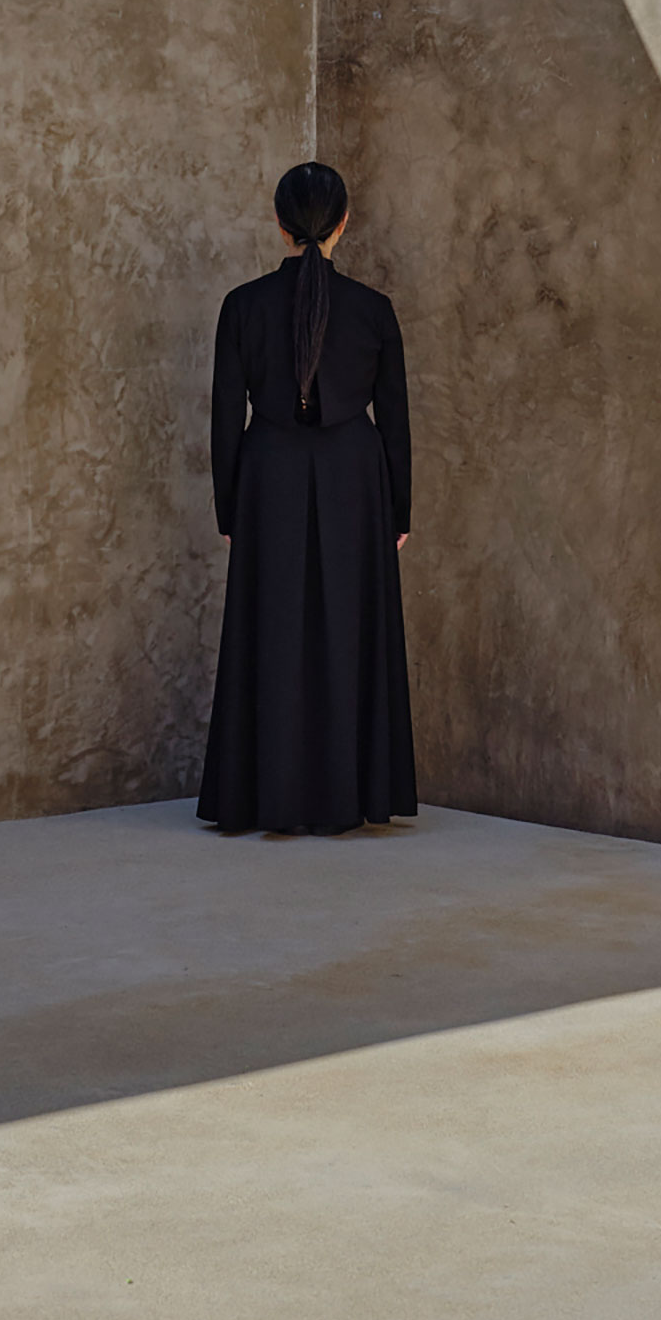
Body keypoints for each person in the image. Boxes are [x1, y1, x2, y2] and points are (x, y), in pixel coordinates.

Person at [197, 162, 418, 835]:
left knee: (270, 631)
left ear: (279, 224)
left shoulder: (243, 305)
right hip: (358, 480)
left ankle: (263, 796)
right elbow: (398, 421)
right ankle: (352, 793)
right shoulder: (374, 311)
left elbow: (223, 418)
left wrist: (230, 508)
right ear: (344, 223)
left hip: (268, 478)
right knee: (352, 631)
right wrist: (399, 512)